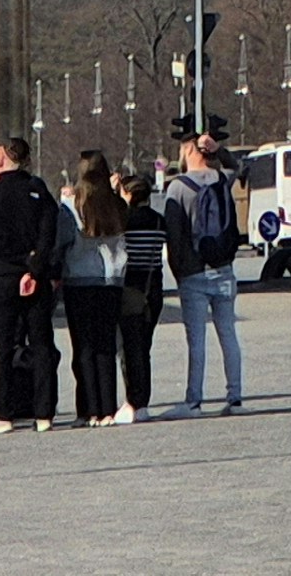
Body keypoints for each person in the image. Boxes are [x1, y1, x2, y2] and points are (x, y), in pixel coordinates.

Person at [0, 137, 65, 432]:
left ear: (1, 162)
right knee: (41, 343)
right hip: (36, 277)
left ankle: (4, 412)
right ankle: (44, 412)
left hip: (2, 278)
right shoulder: (39, 190)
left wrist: (17, 266)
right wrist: (33, 267)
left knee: (3, 346)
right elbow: (48, 235)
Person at [169, 131, 247, 413]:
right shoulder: (221, 181)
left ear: (190, 151)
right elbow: (235, 166)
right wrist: (218, 150)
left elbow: (174, 236)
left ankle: (194, 400)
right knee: (228, 334)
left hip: (194, 274)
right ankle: (235, 397)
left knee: (196, 341)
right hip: (223, 270)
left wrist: (179, 272)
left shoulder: (177, 188)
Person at [57, 152, 132, 424]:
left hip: (79, 281)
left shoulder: (71, 205)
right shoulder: (116, 205)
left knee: (84, 348)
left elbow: (63, 240)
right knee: (106, 346)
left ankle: (88, 408)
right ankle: (108, 409)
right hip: (111, 282)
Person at [116, 168, 170, 416]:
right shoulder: (159, 220)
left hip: (131, 288)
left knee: (130, 348)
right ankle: (143, 401)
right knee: (144, 347)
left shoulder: (125, 221)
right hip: (154, 288)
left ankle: (134, 399)